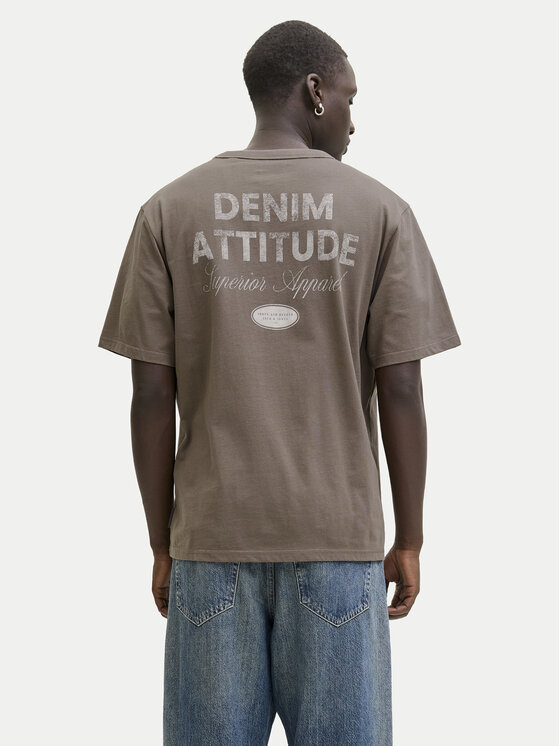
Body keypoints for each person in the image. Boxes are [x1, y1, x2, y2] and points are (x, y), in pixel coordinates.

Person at [98, 19, 461, 746]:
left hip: (211, 544)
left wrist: (162, 543)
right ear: (315, 91)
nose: (354, 119)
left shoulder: (169, 210)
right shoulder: (381, 211)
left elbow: (150, 395)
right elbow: (402, 388)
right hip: (338, 543)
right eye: (350, 98)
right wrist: (410, 537)